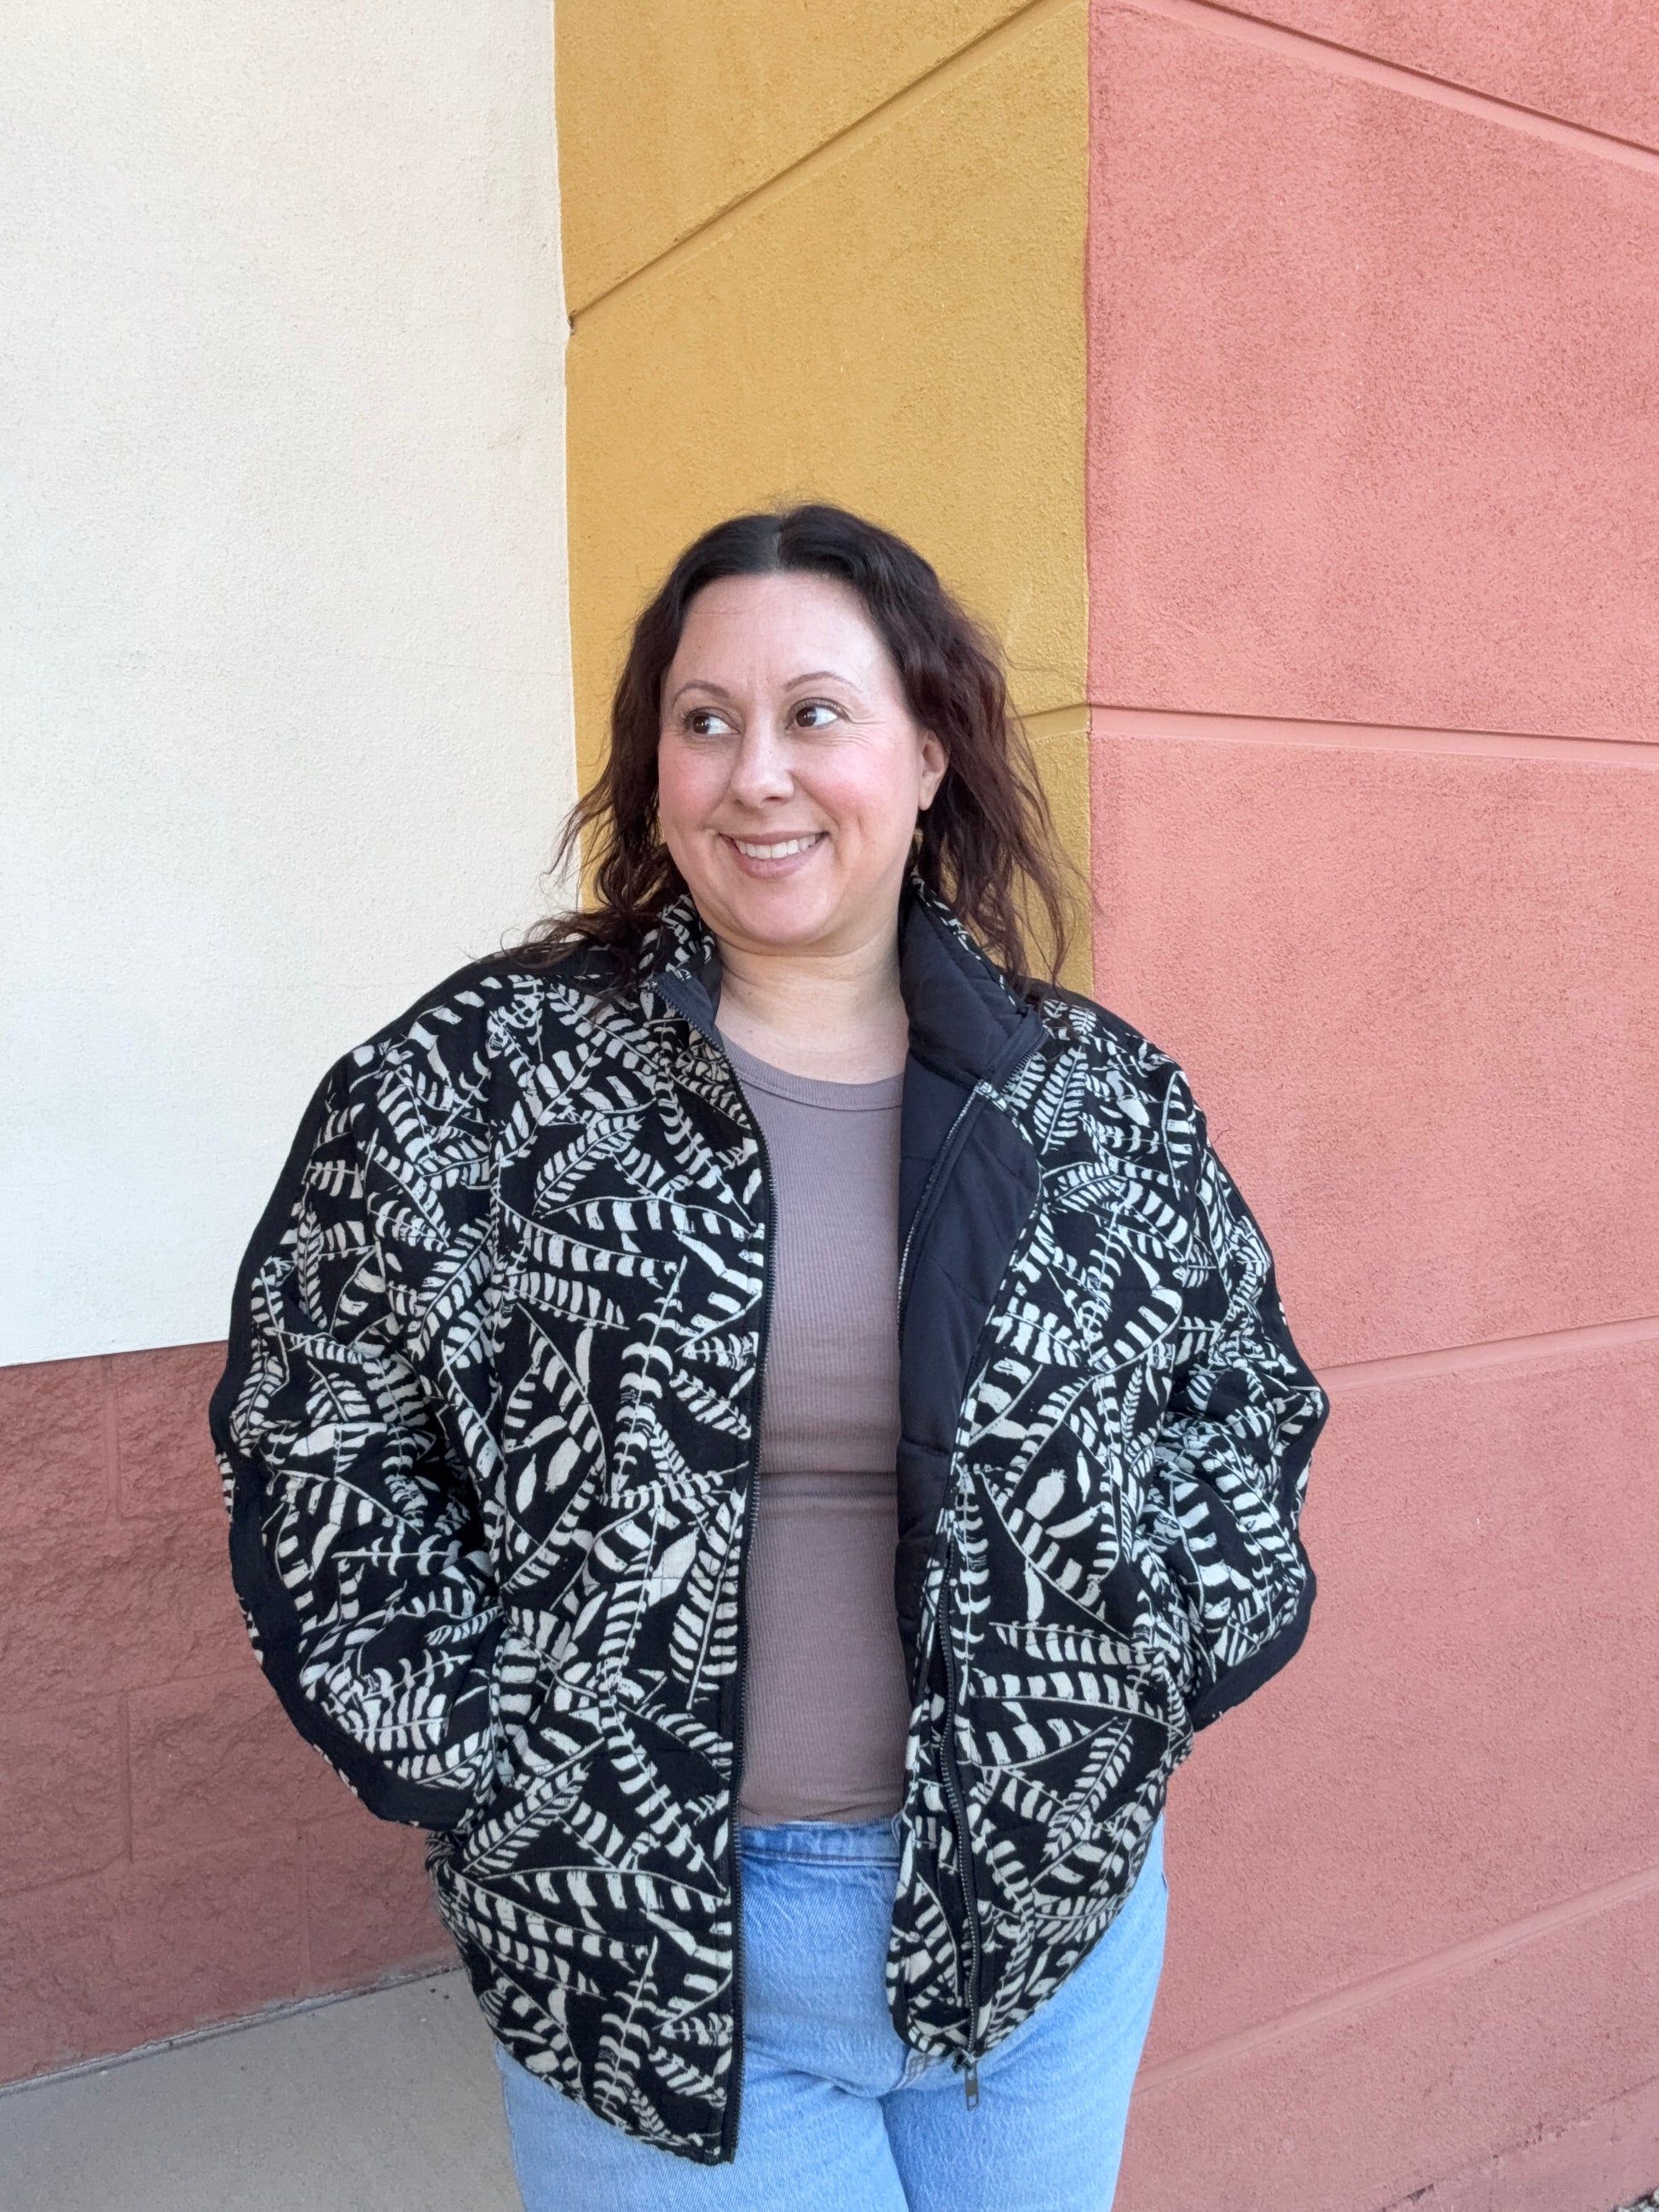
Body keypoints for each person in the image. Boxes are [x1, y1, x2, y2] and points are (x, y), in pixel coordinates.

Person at [211, 503, 1327, 2211]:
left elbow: (1235, 1402)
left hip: (1042, 1922)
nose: (755, 775)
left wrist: (1133, 1670)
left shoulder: (1094, 1098)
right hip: (650, 1948)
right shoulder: (475, 1088)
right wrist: (494, 1753)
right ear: (651, 765)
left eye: (815, 713)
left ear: (930, 752)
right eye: (703, 720)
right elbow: (322, 1428)